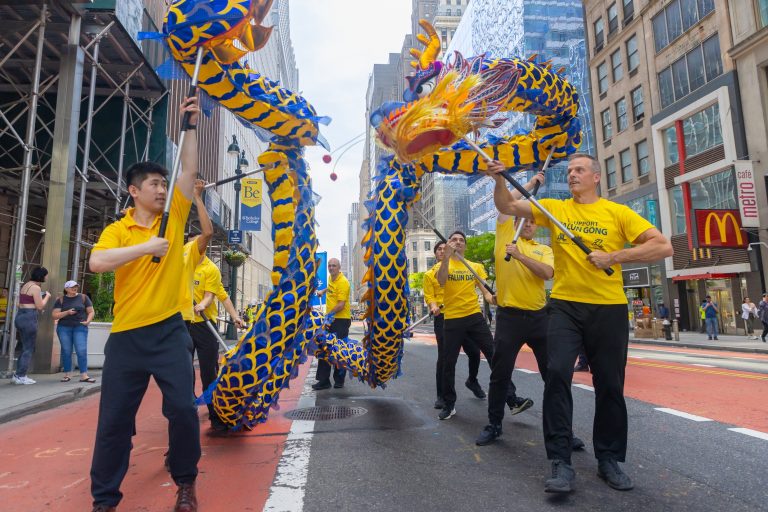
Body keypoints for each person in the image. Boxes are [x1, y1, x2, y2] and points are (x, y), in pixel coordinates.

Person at [486, 153, 673, 493]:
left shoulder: (617, 212)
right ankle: (560, 461)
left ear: (596, 177)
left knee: (610, 384)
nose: (572, 175)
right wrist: (499, 180)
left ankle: (609, 459)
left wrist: (613, 256)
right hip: (565, 307)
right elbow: (508, 207)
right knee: (557, 373)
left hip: (609, 308)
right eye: (569, 170)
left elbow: (663, 246)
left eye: (579, 170)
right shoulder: (556, 210)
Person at [88, 96, 201, 512]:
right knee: (115, 423)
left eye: (162, 183)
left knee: (184, 410)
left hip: (170, 330)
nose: (160, 188)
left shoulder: (173, 218)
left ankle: (186, 484)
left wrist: (190, 125)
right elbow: (97, 262)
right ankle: (104, 500)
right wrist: (144, 248)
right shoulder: (118, 231)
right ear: (134, 191)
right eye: (153, 184)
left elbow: (189, 170)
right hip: (126, 337)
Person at [185, 196, 245, 431]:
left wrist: (234, 316)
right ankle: (187, 411)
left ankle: (216, 414)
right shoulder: (182, 262)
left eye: (194, 246)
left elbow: (216, 295)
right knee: (183, 369)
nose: (190, 250)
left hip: (204, 323)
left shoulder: (210, 269)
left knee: (209, 371)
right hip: (183, 323)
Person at [436, 231, 496, 420]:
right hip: (452, 319)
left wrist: (492, 298)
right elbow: (441, 280)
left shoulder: (475, 266)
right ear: (448, 245)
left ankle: (511, 398)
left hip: (474, 316)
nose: (458, 242)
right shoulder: (441, 265)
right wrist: (446, 257)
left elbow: (485, 291)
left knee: (494, 354)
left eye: (462, 240)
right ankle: (449, 403)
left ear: (465, 246)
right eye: (454, 240)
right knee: (448, 363)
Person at [423, 241, 485, 410]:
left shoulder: (461, 267)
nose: (443, 251)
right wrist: (433, 306)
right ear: (435, 254)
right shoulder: (430, 274)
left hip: (463, 315)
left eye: (445, 248)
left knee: (474, 351)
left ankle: (472, 380)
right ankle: (442, 395)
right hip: (443, 317)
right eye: (440, 249)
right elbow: (430, 296)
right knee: (445, 358)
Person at [313, 257, 352, 390]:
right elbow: (330, 289)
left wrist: (328, 314)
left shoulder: (343, 283)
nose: (331, 268)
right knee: (324, 348)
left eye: (333, 266)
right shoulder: (331, 278)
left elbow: (341, 305)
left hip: (341, 320)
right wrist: (322, 292)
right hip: (330, 319)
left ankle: (339, 380)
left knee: (339, 350)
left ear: (339, 267)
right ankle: (324, 380)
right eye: (329, 265)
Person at [11, 266, 51, 385]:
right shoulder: (36, 288)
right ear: (41, 276)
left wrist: (31, 307)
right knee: (28, 349)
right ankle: (21, 376)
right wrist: (47, 296)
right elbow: (40, 306)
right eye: (46, 275)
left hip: (20, 316)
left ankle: (18, 375)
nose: (47, 277)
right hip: (29, 318)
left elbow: (19, 303)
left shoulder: (26, 285)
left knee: (24, 347)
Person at [52, 280, 96, 383]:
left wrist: (88, 321)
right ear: (66, 288)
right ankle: (67, 374)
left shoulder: (83, 297)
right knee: (66, 351)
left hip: (80, 327)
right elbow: (54, 315)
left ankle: (84, 375)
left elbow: (91, 311)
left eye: (76, 286)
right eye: (72, 287)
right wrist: (67, 312)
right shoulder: (61, 300)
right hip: (64, 328)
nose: (75, 288)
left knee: (81, 350)